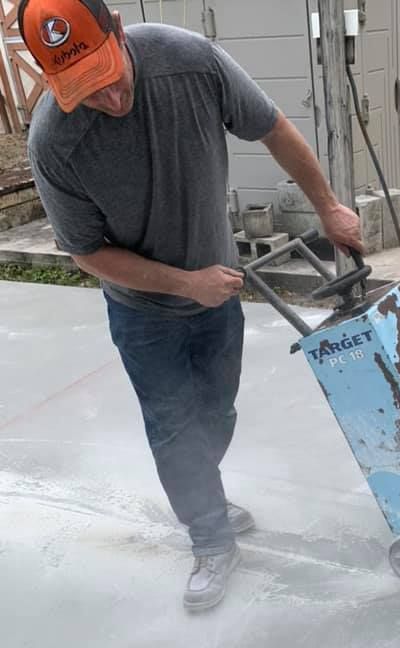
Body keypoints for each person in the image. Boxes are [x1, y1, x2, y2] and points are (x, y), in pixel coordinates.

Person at [19, 0, 363, 612]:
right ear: (52, 81)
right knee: (174, 428)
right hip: (143, 311)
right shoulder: (55, 142)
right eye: (84, 91)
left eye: (108, 75)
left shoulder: (189, 61)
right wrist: (185, 284)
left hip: (216, 293)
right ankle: (209, 536)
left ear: (119, 31)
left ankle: (201, 491)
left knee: (217, 415)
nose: (108, 99)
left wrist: (329, 205)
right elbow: (87, 254)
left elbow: (273, 127)